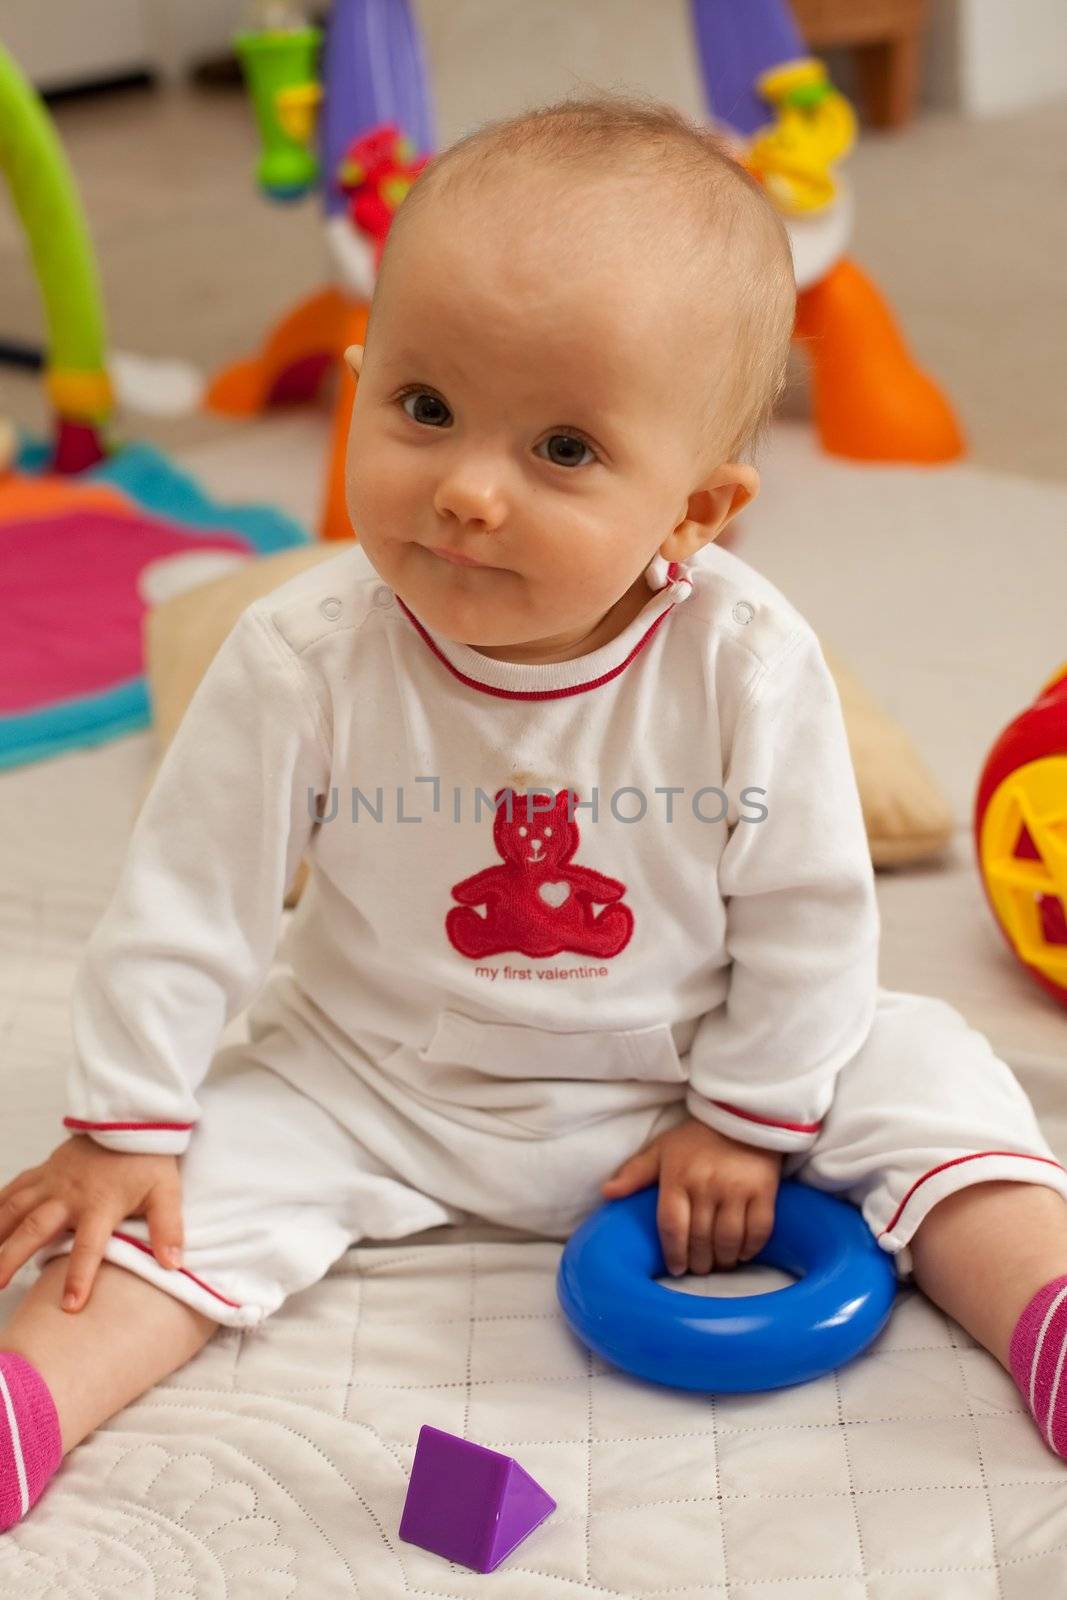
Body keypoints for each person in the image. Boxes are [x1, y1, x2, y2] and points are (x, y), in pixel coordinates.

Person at [2, 94, 1066, 1532]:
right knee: (170, 1193)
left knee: (923, 1067)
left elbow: (812, 914)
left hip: (693, 1064)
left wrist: (752, 1118)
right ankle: (30, 1397)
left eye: (562, 450)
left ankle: (1043, 1305)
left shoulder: (746, 663)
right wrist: (125, 1114)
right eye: (424, 411)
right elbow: (191, 895)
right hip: (378, 1080)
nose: (467, 493)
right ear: (362, 385)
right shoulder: (304, 653)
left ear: (695, 513)